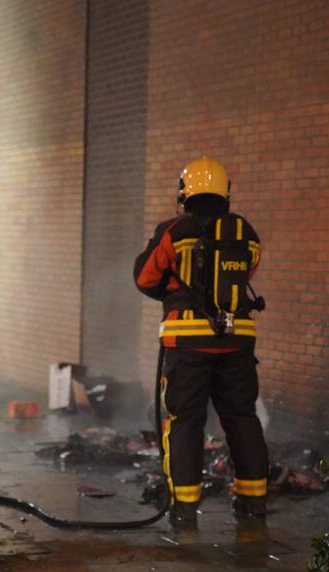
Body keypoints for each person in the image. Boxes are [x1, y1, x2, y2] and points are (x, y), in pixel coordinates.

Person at [133, 156, 269, 527]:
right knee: (243, 418)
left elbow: (145, 278)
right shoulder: (247, 233)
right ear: (225, 191)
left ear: (185, 192)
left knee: (185, 422)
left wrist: (175, 292)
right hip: (238, 340)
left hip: (187, 343)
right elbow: (244, 275)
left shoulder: (173, 231)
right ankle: (253, 502)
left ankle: (185, 508)